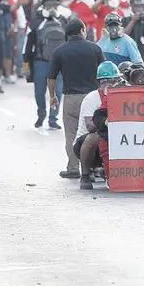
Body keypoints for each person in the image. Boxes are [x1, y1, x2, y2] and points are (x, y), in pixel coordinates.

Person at [49, 17, 105, 180]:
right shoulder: (95, 49)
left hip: (71, 98)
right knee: (96, 132)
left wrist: (52, 96)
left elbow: (51, 77)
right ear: (82, 31)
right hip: (93, 98)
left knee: (72, 134)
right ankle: (94, 168)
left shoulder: (59, 51)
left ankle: (73, 167)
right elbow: (104, 73)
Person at [75, 62, 126, 190]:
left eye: (112, 81)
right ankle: (85, 175)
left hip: (112, 138)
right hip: (89, 143)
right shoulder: (91, 98)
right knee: (94, 137)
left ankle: (105, 171)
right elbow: (90, 127)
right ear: (100, 83)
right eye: (105, 81)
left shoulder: (123, 95)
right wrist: (106, 121)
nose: (108, 84)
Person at [25, 0, 68, 129]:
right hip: (40, 60)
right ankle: (41, 112)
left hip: (59, 62)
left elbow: (68, 39)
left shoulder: (63, 20)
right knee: (39, 91)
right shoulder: (36, 20)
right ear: (43, 5)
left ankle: (53, 118)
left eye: (54, 4)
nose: (51, 7)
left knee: (58, 91)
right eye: (48, 4)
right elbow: (28, 41)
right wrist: (26, 62)